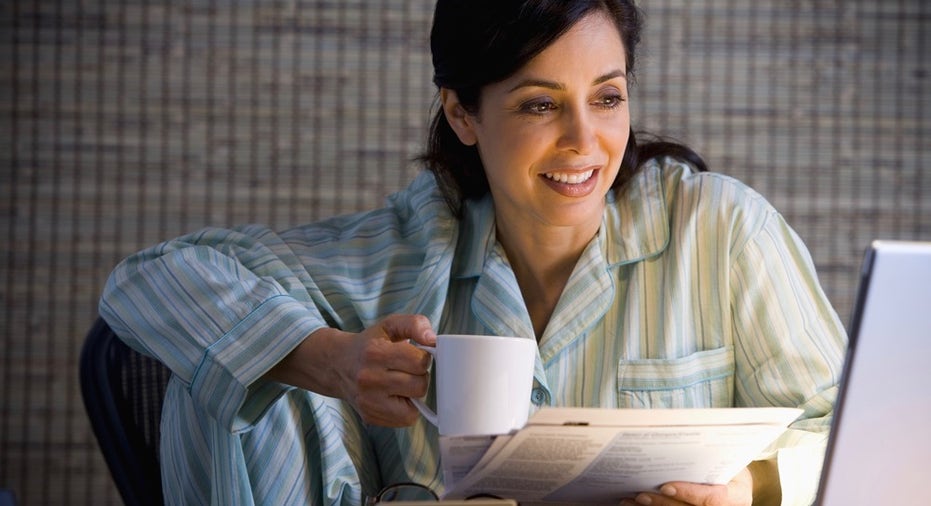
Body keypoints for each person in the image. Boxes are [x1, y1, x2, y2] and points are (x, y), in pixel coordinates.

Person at [99, 1, 847, 505]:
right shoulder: (398, 253)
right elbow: (147, 282)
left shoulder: (722, 231)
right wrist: (329, 358)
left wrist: (749, 486)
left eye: (607, 97)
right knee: (228, 371)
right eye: (539, 104)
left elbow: (849, 435)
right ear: (462, 112)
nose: (585, 143)